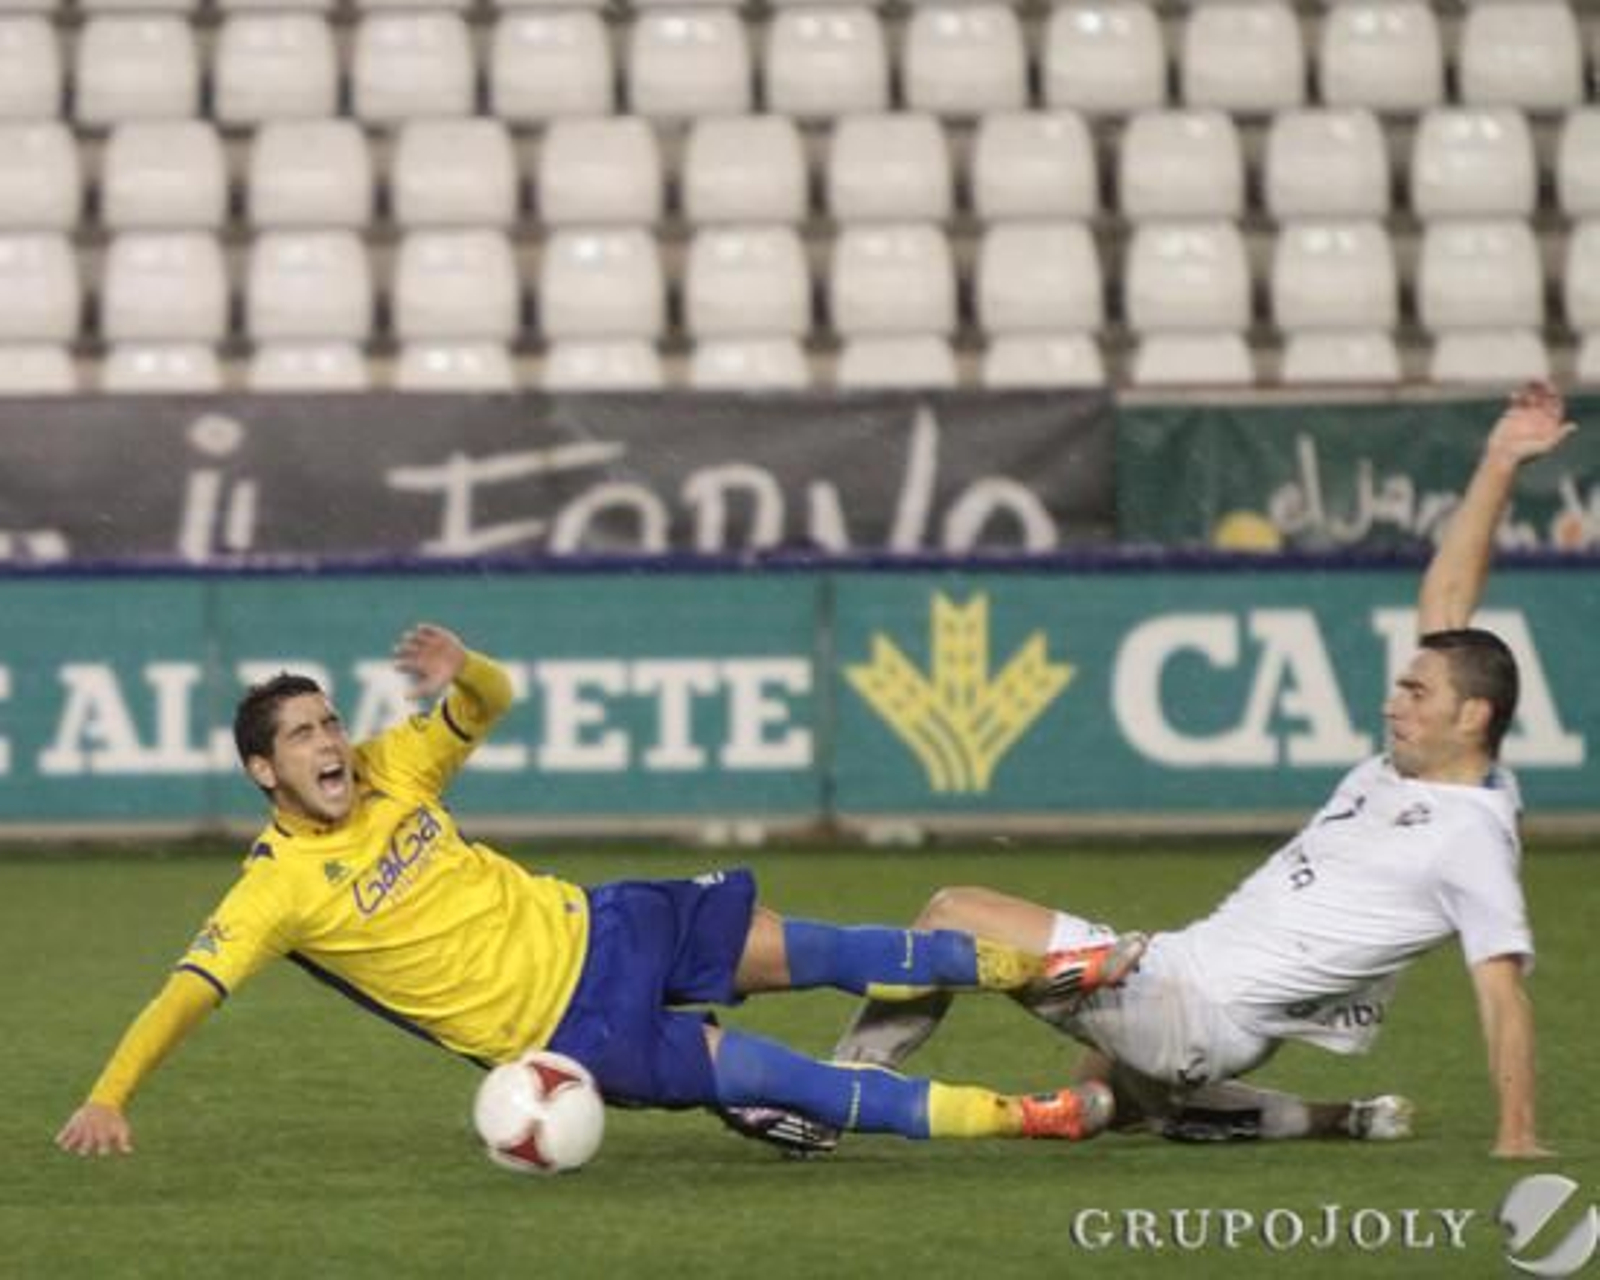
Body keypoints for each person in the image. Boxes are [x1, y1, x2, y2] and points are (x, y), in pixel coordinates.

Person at [794, 380, 1572, 1160]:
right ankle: (1343, 1117)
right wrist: (1502, 459)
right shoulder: (1431, 765)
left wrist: (1519, 1136)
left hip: (1190, 1004)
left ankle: (827, 1100)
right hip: (1193, 988)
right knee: (1099, 1101)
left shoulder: (1469, 837)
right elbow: (1446, 592)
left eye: (1416, 691)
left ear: (1472, 716)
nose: (1394, 701)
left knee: (951, 913)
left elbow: (1504, 995)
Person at [56, 623, 1150, 1159]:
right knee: (798, 1079)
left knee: (825, 945)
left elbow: (492, 697)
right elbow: (185, 992)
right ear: (265, 772)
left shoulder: (394, 765)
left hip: (611, 918)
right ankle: (1030, 1116)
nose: (330, 739)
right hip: (577, 1028)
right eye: (303, 734)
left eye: (331, 718)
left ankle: (1051, 965)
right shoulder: (273, 892)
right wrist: (112, 1092)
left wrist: (464, 664)